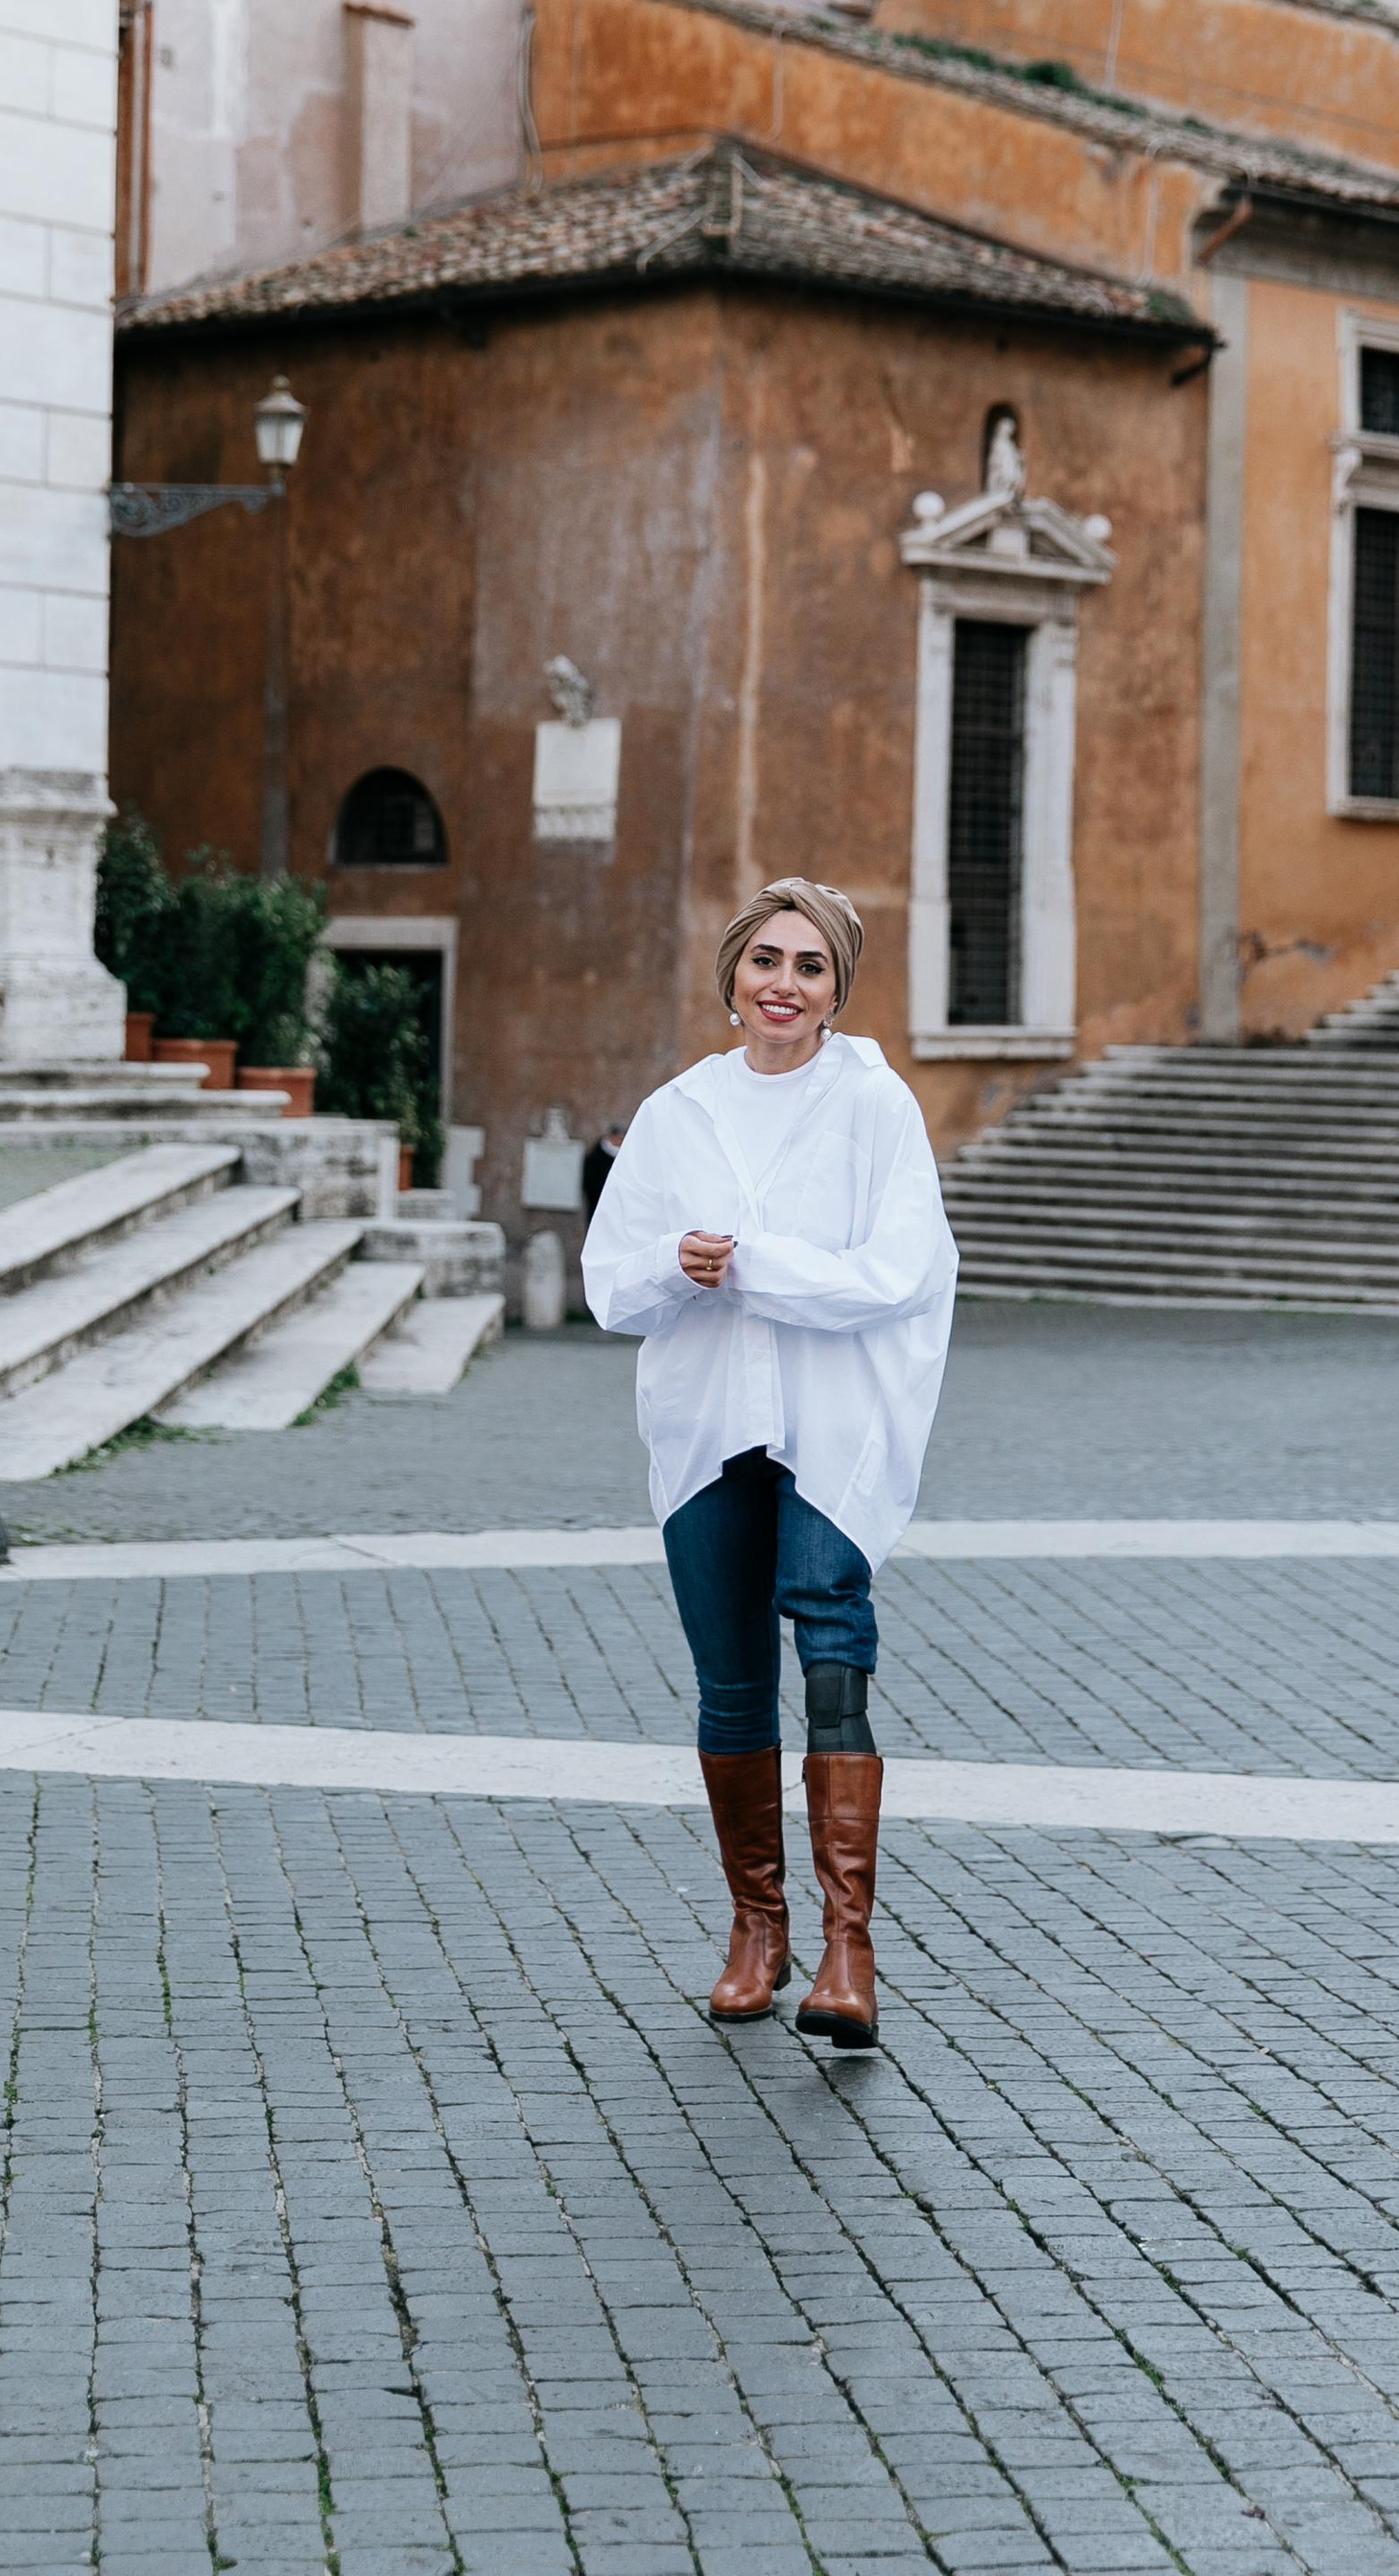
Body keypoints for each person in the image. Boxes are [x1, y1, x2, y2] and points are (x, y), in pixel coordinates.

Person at [581, 877, 957, 2049]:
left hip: (830, 1425)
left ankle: (848, 1951)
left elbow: (901, 1271)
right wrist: (672, 1263)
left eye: (809, 967)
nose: (782, 986)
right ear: (731, 975)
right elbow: (608, 1282)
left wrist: (750, 1265)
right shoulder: (676, 1110)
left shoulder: (875, 1108)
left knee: (829, 1634)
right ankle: (758, 1928)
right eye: (764, 962)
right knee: (731, 1678)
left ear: (837, 991)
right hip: (705, 1423)